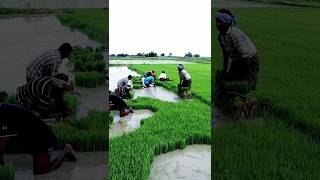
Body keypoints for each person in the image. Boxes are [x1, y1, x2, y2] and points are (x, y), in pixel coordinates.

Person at [0, 103, 77, 175]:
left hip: (42, 137)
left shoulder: (4, 114)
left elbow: (2, 145)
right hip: (24, 137)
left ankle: (66, 150)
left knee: (41, 171)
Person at [216, 9, 259, 90]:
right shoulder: (220, 36)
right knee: (229, 81)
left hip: (249, 59)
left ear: (226, 23)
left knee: (247, 85)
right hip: (238, 59)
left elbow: (244, 55)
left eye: (220, 22)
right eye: (216, 21)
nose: (217, 24)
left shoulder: (235, 34)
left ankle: (247, 100)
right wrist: (225, 69)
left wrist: (239, 72)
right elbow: (225, 53)